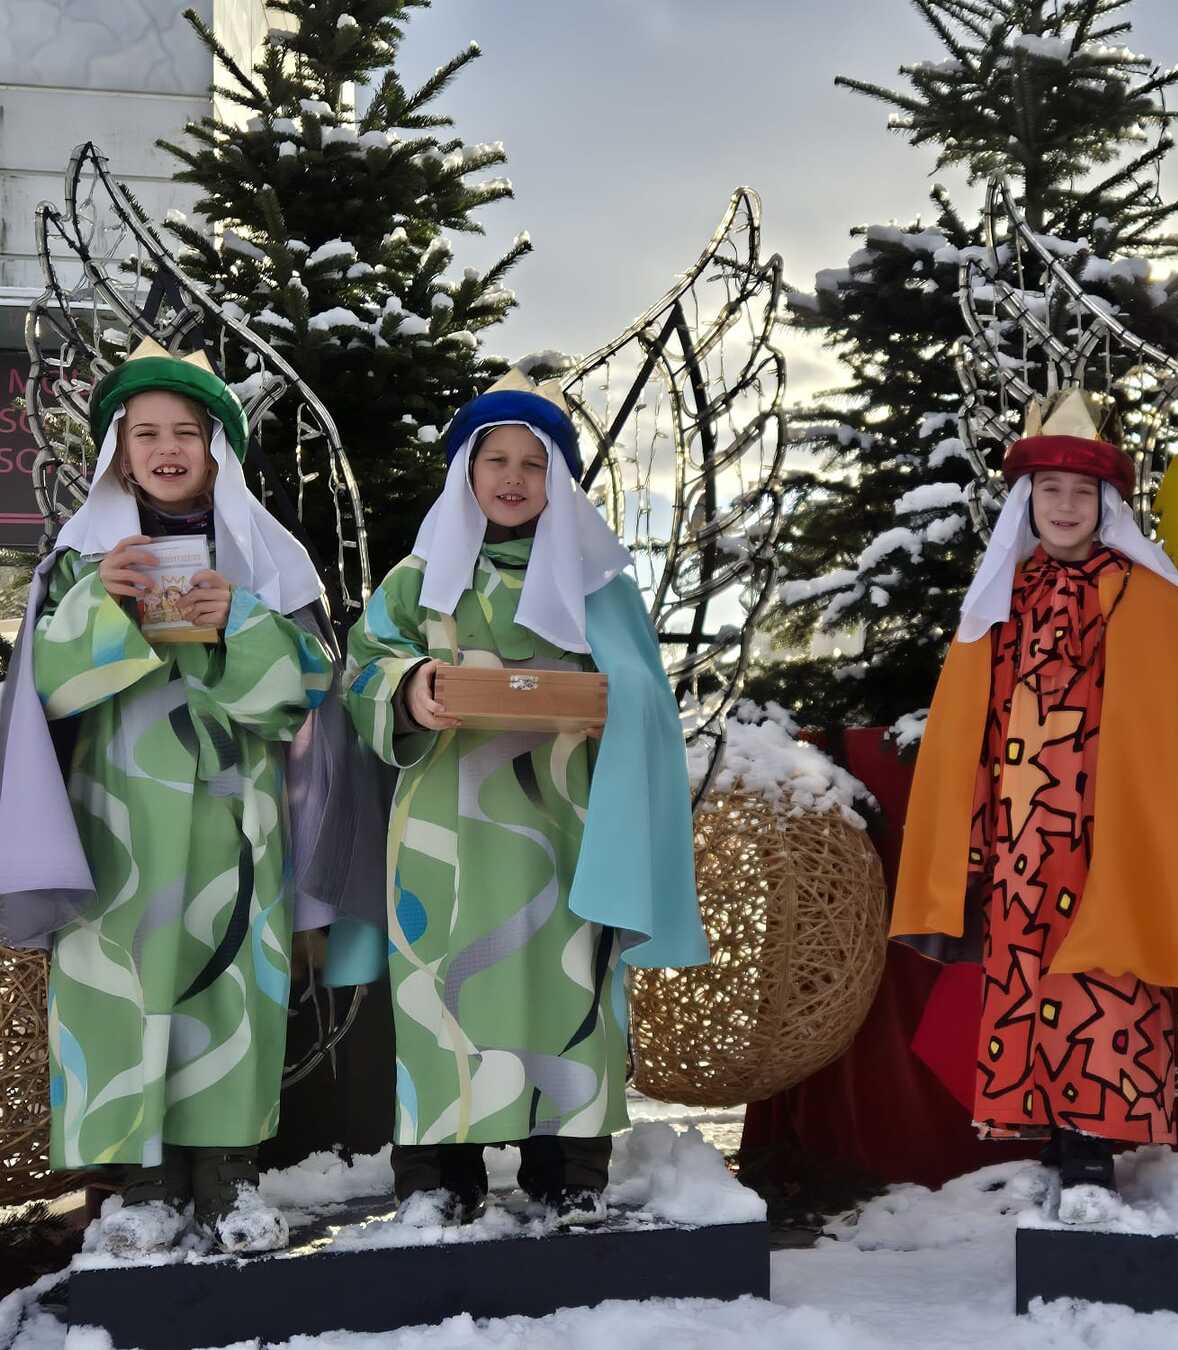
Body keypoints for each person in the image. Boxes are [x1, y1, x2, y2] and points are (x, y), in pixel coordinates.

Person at [0, 340, 353, 1255]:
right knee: (121, 984)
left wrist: (241, 619)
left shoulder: (269, 562)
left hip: (238, 819)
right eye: (146, 432)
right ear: (120, 453)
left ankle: (228, 1176)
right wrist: (102, 607)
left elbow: (309, 693)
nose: (166, 448)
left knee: (232, 981)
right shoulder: (80, 561)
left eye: (186, 432)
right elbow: (45, 690)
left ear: (216, 450)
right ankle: (141, 1183)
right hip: (114, 821)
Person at [337, 370, 706, 1225]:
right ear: (465, 472)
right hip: (444, 833)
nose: (512, 477)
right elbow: (361, 671)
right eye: (494, 459)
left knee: (568, 985)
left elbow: (646, 696)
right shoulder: (415, 580)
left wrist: (613, 702)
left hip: (566, 828)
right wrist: (411, 687)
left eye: (533, 463)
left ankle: (567, 1168)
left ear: (559, 480)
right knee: (443, 990)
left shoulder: (598, 582)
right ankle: (438, 1177)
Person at [891, 389, 1178, 1223]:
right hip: (1022, 829)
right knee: (1027, 973)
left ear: (1105, 504)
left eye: (1081, 492)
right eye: (1048, 489)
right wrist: (977, 821)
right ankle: (1056, 1130)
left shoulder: (1144, 594)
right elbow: (973, 718)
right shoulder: (1002, 594)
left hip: (1109, 827)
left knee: (1105, 973)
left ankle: (1094, 1141)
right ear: (1027, 501)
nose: (1064, 505)